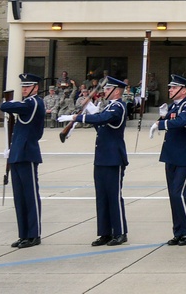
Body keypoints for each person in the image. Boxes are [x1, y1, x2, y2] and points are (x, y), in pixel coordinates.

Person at [60, 76, 129, 246]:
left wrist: (78, 118)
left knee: (113, 196)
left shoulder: (119, 106)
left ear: (117, 91)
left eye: (108, 89)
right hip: (102, 157)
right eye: (105, 89)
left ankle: (120, 232)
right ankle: (105, 232)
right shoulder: (109, 107)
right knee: (102, 197)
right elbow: (101, 125)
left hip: (114, 158)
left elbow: (102, 120)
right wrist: (89, 112)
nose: (105, 91)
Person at [148, 75, 186, 246]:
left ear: (183, 90)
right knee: (173, 195)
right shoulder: (174, 106)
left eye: (173, 87)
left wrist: (162, 124)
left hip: (185, 156)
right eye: (170, 87)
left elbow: (184, 121)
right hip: (171, 155)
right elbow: (172, 119)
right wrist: (162, 118)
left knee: (179, 193)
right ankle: (179, 231)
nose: (169, 89)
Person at [0, 73, 46, 248]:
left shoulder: (34, 103)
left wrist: (10, 103)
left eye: (27, 87)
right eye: (23, 87)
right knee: (20, 197)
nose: (24, 89)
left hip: (28, 153)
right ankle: (24, 234)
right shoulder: (25, 103)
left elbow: (3, 106)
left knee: (30, 195)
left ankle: (34, 234)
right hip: (18, 153)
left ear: (36, 87)